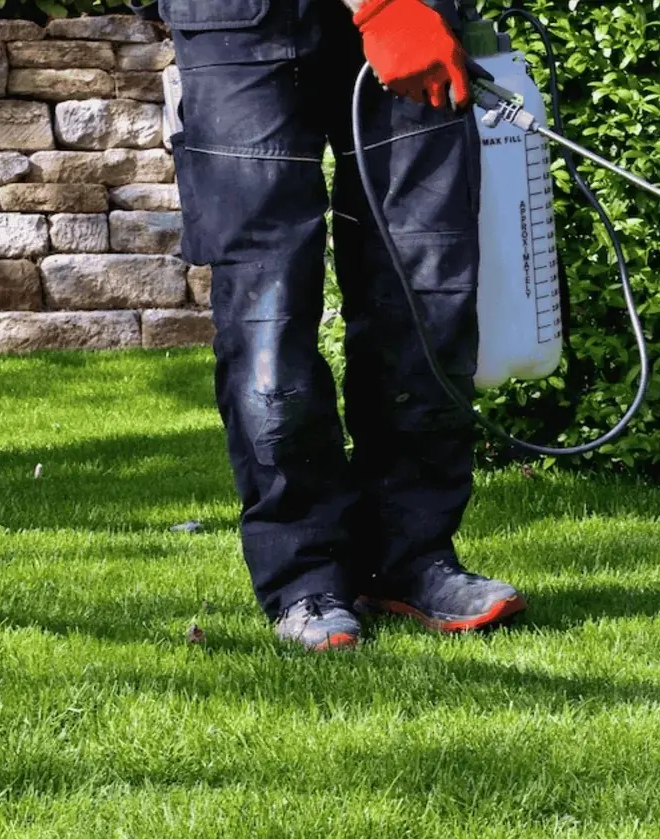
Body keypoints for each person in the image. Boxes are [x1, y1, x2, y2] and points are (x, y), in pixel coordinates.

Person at [145, 0, 527, 650]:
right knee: (268, 309)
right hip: (242, 22)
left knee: (424, 290)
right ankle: (305, 578)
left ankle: (413, 559)